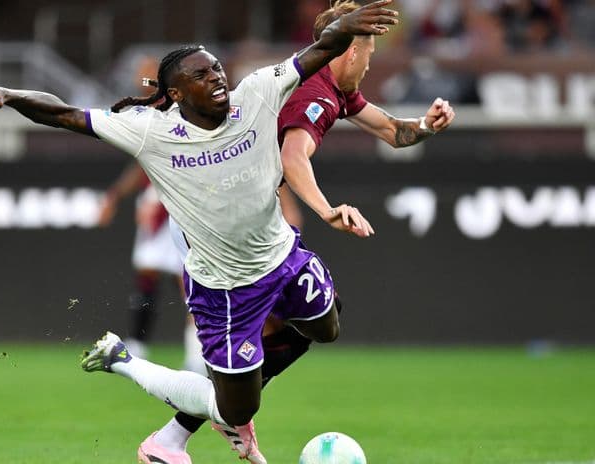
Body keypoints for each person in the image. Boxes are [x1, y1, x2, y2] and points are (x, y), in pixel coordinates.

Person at [0, 1, 400, 462]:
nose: (218, 78)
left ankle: (197, 413)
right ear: (178, 93)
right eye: (202, 76)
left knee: (327, 326)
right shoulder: (150, 131)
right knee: (234, 407)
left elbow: (319, 51)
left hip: (283, 258)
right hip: (224, 289)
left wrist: (344, 27)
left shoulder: (260, 92)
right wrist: (7, 93)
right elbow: (63, 113)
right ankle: (123, 361)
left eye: (218, 69)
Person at [138, 1, 457, 462]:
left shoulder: (336, 89)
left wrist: (427, 125)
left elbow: (392, 131)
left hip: (246, 219)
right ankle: (160, 398)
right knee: (276, 335)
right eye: (368, 55)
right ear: (349, 52)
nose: (368, 67)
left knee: (314, 323)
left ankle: (184, 430)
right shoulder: (314, 93)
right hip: (220, 229)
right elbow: (293, 156)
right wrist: (327, 210)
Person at [99, 162, 205, 373]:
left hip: (182, 207)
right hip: (155, 204)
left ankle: (197, 355)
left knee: (190, 284)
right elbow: (140, 165)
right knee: (146, 276)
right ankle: (137, 346)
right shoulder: (150, 137)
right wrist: (115, 195)